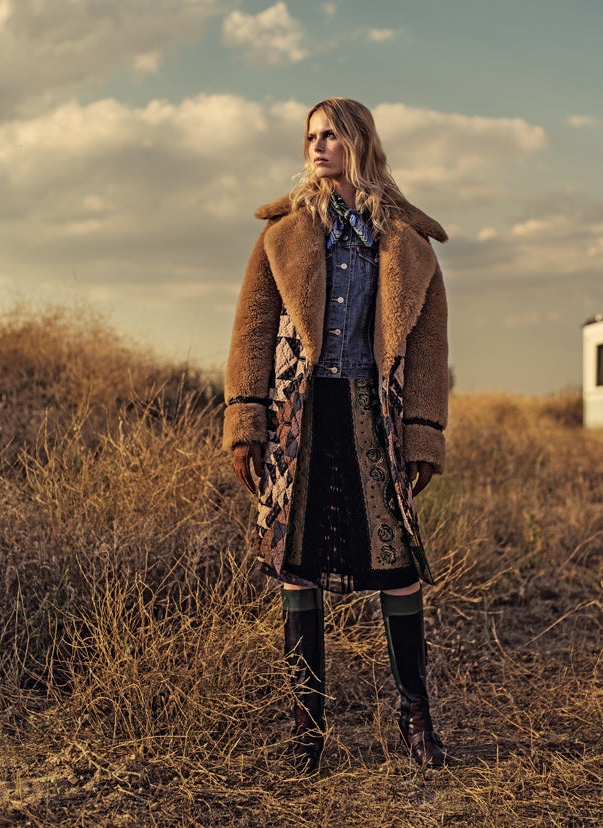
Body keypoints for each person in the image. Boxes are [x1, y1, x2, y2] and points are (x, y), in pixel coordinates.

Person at [223, 97, 449, 773]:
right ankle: (306, 724)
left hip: (375, 418)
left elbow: (431, 350)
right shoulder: (282, 234)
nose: (317, 147)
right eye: (310, 136)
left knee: (400, 570)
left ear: (360, 144)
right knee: (297, 570)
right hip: (301, 417)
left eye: (331, 136)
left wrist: (422, 436)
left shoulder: (405, 242)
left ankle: (415, 718)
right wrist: (245, 422)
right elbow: (252, 333)